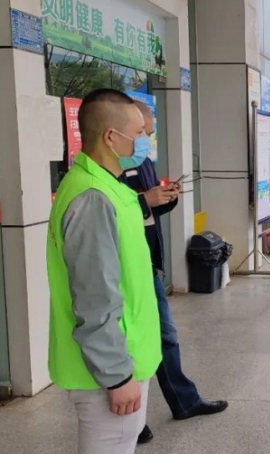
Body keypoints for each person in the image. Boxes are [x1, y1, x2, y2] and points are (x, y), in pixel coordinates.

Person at [47, 89, 160, 454]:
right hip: (108, 369)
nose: (145, 141)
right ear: (111, 137)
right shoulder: (93, 196)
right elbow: (95, 295)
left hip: (121, 358)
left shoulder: (106, 186)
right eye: (139, 133)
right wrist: (117, 376)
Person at [124, 102, 228, 444]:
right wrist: (144, 200)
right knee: (133, 343)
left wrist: (166, 197)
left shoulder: (142, 160)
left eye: (149, 133)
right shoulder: (107, 170)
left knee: (165, 335)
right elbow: (114, 211)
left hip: (148, 262)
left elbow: (148, 211)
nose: (147, 139)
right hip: (126, 268)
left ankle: (183, 401)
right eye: (142, 132)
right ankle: (132, 420)